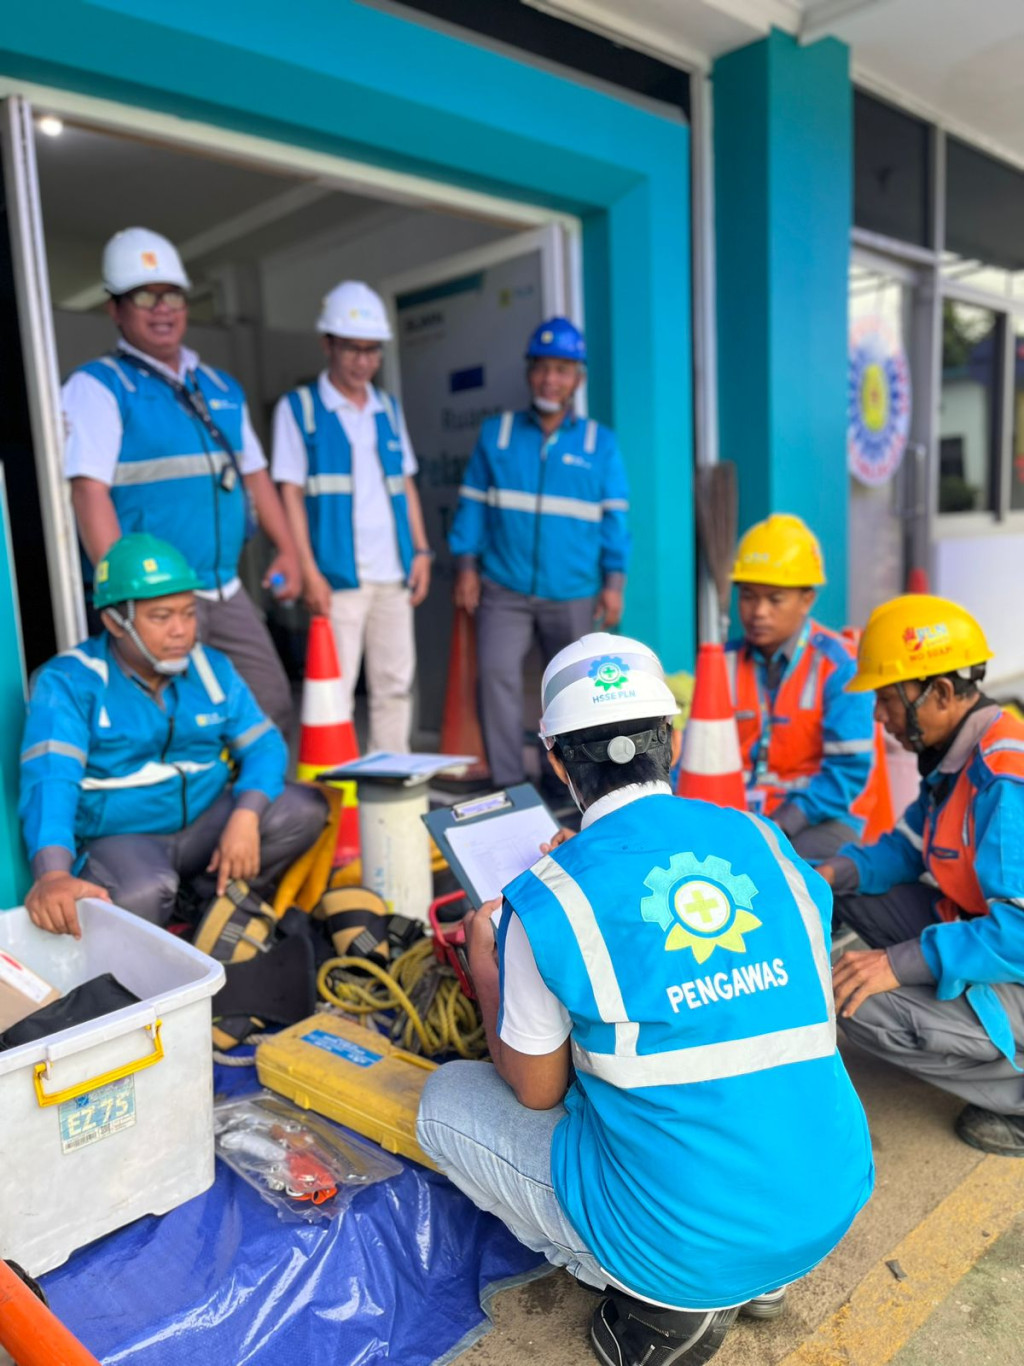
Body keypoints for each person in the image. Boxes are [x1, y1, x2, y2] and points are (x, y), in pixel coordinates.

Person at [417, 633, 873, 1366]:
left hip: (684, 1242)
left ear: (557, 761)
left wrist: (484, 955)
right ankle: (764, 1276)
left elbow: (536, 1092)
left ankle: (665, 1302)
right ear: (672, 738)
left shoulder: (546, 900)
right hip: (827, 1198)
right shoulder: (763, 839)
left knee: (444, 1100)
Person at [20, 534, 327, 936]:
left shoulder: (210, 667)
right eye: (161, 617)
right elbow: (50, 781)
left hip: (203, 824)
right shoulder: (70, 682)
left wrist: (246, 815)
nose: (180, 631)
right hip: (122, 839)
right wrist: (53, 874)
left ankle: (207, 902)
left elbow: (265, 746)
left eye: (188, 613)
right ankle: (168, 909)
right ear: (114, 622)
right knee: (144, 892)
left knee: (301, 810)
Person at [62, 226, 299, 738]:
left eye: (171, 295)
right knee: (170, 724)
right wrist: (123, 593)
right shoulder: (99, 386)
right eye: (144, 297)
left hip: (223, 586)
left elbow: (255, 476)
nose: (162, 309)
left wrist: (287, 550)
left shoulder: (219, 386)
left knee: (269, 703)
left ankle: (255, 793)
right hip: (153, 597)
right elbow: (89, 492)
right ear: (115, 309)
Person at [819, 595, 1024, 1157]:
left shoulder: (1005, 780)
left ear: (941, 693)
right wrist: (827, 875)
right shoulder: (958, 756)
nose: (879, 717)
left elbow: (1017, 933)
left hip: (1014, 953)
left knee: (857, 1002)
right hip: (987, 934)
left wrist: (895, 964)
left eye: (888, 699)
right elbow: (906, 850)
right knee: (852, 894)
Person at [449, 317, 630, 790]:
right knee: (496, 679)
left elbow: (615, 519)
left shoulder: (599, 443)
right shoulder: (498, 434)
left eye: (562, 370)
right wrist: (466, 566)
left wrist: (614, 583)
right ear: (530, 372)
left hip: (571, 590)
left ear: (578, 379)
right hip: (503, 587)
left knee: (572, 691)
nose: (551, 379)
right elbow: (471, 508)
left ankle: (569, 783)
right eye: (543, 368)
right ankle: (510, 787)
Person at [271, 281, 431, 753]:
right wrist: (308, 571)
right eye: (353, 349)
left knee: (394, 686)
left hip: (393, 573)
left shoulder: (388, 409)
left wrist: (421, 551)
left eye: (372, 350)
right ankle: (335, 792)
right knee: (333, 694)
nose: (364, 361)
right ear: (328, 345)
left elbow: (406, 485)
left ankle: (390, 786)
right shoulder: (299, 409)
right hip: (337, 578)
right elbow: (289, 494)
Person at [726, 513, 877, 859]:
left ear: (807, 600)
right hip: (741, 816)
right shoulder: (723, 663)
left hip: (819, 817)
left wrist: (781, 824)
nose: (758, 612)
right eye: (748, 596)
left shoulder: (840, 667)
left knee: (787, 870)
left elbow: (846, 774)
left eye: (774, 599)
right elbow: (696, 759)